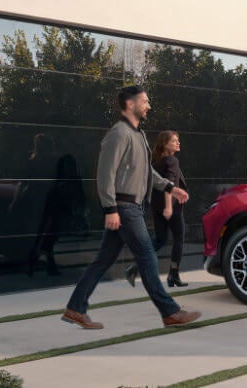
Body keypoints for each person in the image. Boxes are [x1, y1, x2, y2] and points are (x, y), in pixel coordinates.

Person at [61, 85, 201, 329]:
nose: (149, 105)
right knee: (147, 256)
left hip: (132, 207)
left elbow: (147, 173)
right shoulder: (118, 134)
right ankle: (170, 312)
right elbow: (105, 174)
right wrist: (110, 209)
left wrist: (170, 187)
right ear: (130, 104)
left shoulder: (139, 135)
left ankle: (75, 308)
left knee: (103, 261)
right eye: (144, 101)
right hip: (124, 207)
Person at [125, 130, 189, 288]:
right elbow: (169, 183)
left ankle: (134, 267)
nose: (177, 143)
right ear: (164, 144)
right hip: (171, 207)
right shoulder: (172, 160)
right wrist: (169, 207)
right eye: (174, 141)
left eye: (177, 140)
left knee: (160, 240)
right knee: (179, 239)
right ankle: (173, 275)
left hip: (156, 206)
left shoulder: (156, 162)